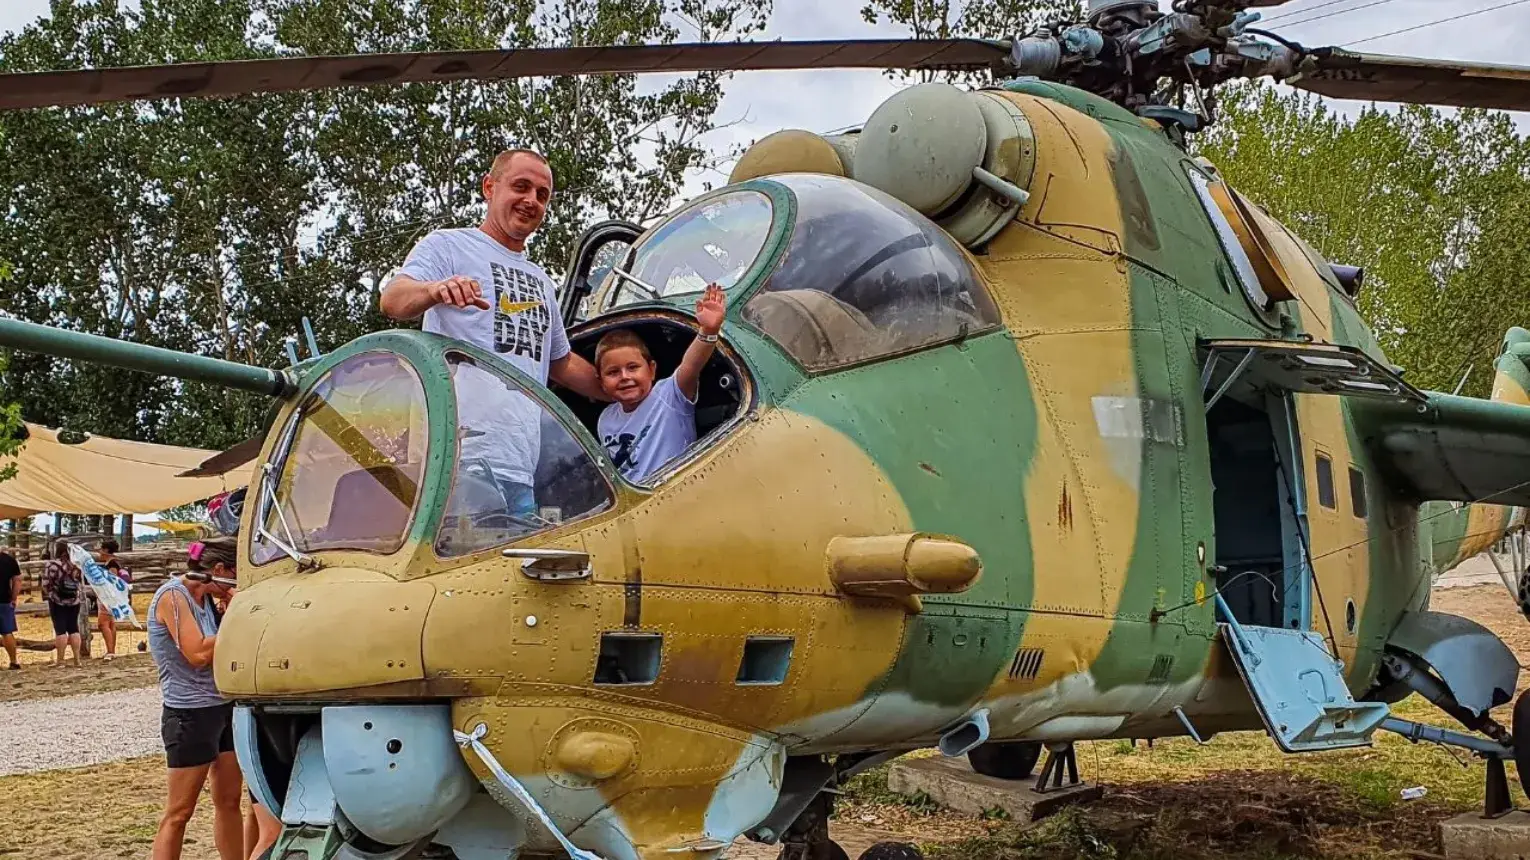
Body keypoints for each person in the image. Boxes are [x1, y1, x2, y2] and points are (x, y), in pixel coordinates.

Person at [380, 148, 609, 513]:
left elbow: (560, 362)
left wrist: (625, 389)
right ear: (490, 187)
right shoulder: (449, 246)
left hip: (522, 467)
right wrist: (435, 290)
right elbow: (393, 300)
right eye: (521, 186)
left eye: (542, 194)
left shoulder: (541, 281)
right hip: (460, 462)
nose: (531, 200)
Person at [149, 536, 242, 860]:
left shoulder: (209, 602)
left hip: (222, 707)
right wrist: (237, 617)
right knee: (180, 812)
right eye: (235, 576)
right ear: (219, 570)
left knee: (229, 801)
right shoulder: (173, 597)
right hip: (189, 713)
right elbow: (198, 653)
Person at [595, 284, 726, 482]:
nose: (624, 377)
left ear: (652, 369)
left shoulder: (669, 395)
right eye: (613, 372)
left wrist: (708, 331)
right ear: (602, 382)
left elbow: (691, 365)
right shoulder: (605, 419)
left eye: (633, 367)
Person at [42, 542, 83, 667]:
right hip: (74, 600)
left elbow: (45, 583)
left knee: (60, 630)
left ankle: (60, 660)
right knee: (74, 629)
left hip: (57, 600)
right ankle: (77, 659)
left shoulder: (52, 565)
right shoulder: (76, 565)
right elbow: (80, 582)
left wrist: (50, 594)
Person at [94, 538, 130, 661]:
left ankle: (110, 651)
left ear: (106, 550)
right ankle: (111, 650)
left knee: (103, 623)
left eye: (101, 549)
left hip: (108, 597)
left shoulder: (111, 564)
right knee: (110, 623)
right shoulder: (113, 562)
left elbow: (112, 581)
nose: (99, 552)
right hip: (111, 597)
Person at [0, 549, 19, 670]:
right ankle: (13, 661)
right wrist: (14, 597)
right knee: (7, 632)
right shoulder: (9, 560)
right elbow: (17, 580)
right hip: (4, 601)